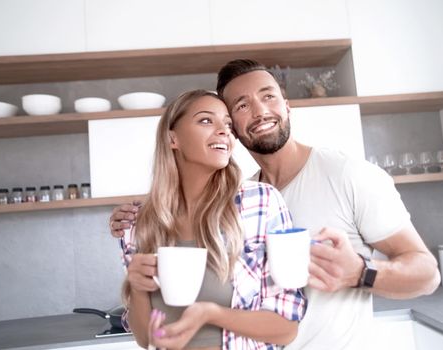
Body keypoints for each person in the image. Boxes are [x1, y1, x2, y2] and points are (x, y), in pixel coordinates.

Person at [111, 60, 441, 349]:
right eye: (240, 106)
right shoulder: (247, 197)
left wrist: (361, 273)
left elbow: (426, 275)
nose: (259, 111)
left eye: (268, 96)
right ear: (235, 129)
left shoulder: (347, 174)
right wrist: (144, 219)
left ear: (287, 105)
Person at [118, 89, 306, 350]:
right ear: (173, 138)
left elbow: (286, 329)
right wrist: (137, 288)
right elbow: (144, 338)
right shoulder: (138, 223)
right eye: (206, 120)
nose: (224, 131)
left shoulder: (260, 203)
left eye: (228, 124)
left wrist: (211, 314)